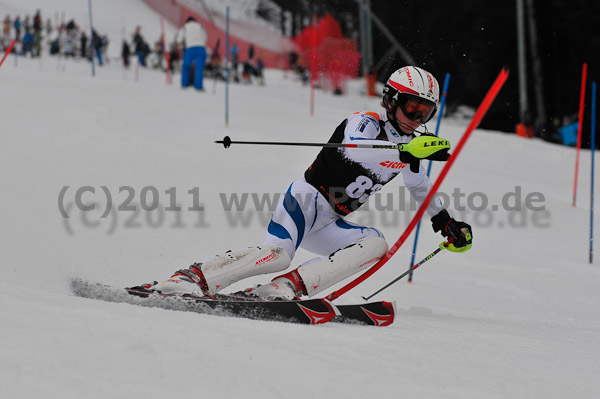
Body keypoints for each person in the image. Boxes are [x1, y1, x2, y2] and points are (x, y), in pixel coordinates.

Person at [154, 66, 473, 300]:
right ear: (390, 101)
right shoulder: (365, 122)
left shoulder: (411, 148)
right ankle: (193, 276)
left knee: (376, 243)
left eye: (425, 113)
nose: (417, 120)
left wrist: (445, 222)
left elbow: (419, 187)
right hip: (305, 201)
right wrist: (406, 151)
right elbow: (357, 149)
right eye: (412, 109)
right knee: (277, 255)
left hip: (330, 220)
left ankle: (284, 287)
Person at [175, 16, 207, 90]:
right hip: (201, 48)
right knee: (199, 68)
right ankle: (198, 87)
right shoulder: (200, 26)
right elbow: (205, 38)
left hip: (190, 48)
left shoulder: (185, 27)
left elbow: (179, 40)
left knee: (186, 66)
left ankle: (184, 85)